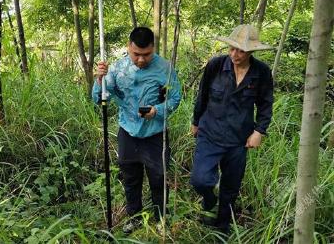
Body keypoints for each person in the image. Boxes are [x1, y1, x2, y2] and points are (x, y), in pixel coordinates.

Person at [92, 27, 181, 234]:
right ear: (128, 48)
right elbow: (98, 98)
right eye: (136, 54)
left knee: (159, 178)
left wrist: (157, 110)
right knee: (130, 178)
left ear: (153, 49)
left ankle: (161, 220)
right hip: (128, 133)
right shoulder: (116, 69)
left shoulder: (165, 68)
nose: (141, 59)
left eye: (146, 54)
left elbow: (175, 98)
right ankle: (134, 217)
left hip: (156, 134)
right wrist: (99, 80)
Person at [190, 24, 274, 234]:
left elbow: (265, 104)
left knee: (231, 186)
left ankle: (222, 227)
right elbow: (202, 96)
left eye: (242, 50)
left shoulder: (261, 72)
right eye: (232, 49)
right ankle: (209, 199)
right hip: (210, 133)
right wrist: (195, 121)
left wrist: (259, 131)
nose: (235, 54)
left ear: (252, 51)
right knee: (200, 179)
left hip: (238, 139)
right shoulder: (216, 66)